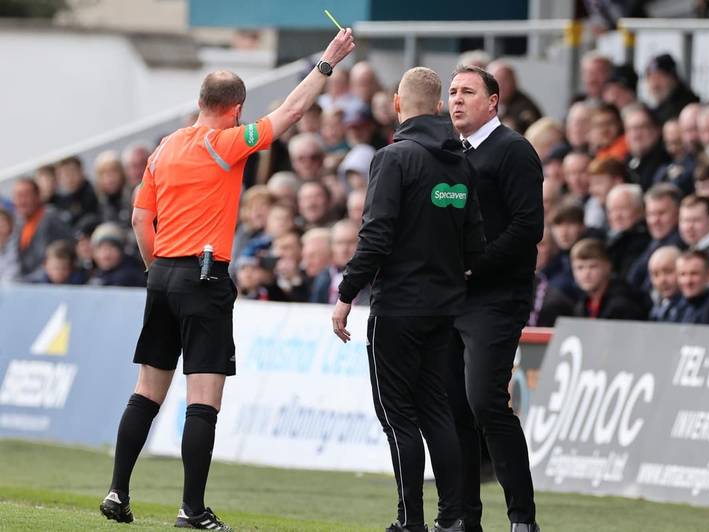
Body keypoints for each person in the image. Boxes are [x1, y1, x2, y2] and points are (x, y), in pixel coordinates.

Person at [98, 27, 355, 530]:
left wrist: (157, 270)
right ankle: (191, 508)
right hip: (202, 275)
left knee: (146, 390)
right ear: (235, 108)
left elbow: (137, 220)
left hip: (162, 275)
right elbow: (292, 112)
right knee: (203, 397)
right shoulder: (227, 144)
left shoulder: (163, 148)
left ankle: (117, 492)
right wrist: (327, 62)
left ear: (200, 101)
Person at [331, 66, 484, 532]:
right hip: (445, 308)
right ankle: (453, 518)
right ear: (438, 106)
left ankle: (409, 520)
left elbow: (375, 236)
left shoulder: (394, 158)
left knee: (399, 417)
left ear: (397, 105)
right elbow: (475, 243)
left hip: (398, 306)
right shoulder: (461, 161)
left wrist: (345, 293)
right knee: (437, 411)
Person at [446, 64, 543, 532]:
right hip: (450, 299)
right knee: (453, 408)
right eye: (451, 92)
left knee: (485, 402)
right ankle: (466, 518)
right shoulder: (448, 153)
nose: (456, 100)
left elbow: (528, 228)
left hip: (496, 297)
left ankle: (522, 519)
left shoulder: (513, 150)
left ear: (492, 102)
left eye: (467, 92)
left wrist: (473, 266)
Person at [571, 237, 649, 320]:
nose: (586, 274)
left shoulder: (623, 304)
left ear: (608, 266)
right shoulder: (582, 306)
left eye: (593, 266)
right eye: (580, 268)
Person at [10, 178, 72, 278]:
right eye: (17, 196)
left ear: (37, 196)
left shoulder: (51, 219)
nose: (21, 201)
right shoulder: (19, 222)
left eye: (26, 196)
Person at [487, 60, 543, 135]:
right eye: (496, 80)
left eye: (504, 80)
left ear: (514, 81)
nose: (500, 85)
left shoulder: (524, 107)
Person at [645, 53, 699, 124]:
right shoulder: (659, 107)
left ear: (673, 78)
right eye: (651, 78)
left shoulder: (687, 106)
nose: (655, 84)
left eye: (660, 77)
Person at [648, 246, 684, 322]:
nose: (662, 280)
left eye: (668, 271)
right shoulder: (657, 305)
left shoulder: (691, 308)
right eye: (656, 274)